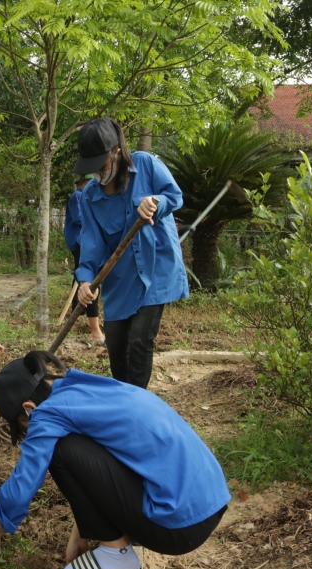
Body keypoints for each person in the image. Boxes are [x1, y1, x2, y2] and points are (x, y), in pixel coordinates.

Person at [0, 351, 230, 569]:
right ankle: (112, 546)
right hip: (208, 503)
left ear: (28, 409)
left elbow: (25, 482)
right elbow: (102, 465)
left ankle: (117, 555)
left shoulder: (46, 414)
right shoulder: (86, 389)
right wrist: (81, 533)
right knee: (75, 445)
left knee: (60, 450)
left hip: (178, 527)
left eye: (22, 426)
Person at [74, 118, 188, 388]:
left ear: (116, 152)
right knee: (116, 345)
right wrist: (85, 279)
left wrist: (156, 202)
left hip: (155, 268)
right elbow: (91, 242)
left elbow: (175, 195)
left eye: (100, 165)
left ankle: (137, 406)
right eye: (91, 169)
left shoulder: (145, 164)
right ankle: (123, 400)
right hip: (120, 279)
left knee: (139, 339)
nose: (96, 174)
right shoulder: (90, 197)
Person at [64, 175, 105, 344]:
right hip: (80, 241)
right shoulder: (78, 196)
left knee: (83, 280)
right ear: (83, 183)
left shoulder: (84, 196)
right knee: (91, 282)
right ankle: (95, 331)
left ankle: (77, 313)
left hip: (85, 241)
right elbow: (79, 218)